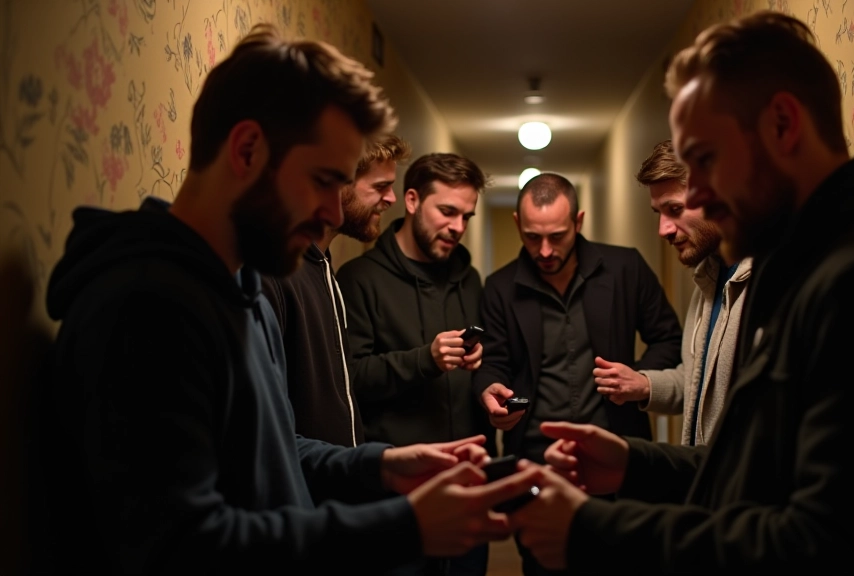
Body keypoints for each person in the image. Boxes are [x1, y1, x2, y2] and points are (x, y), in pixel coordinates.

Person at [36, 24, 539, 574]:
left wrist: (381, 465)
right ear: (247, 150)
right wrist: (407, 526)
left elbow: (274, 448)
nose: (332, 212)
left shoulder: (242, 291)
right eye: (323, 180)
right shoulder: (147, 306)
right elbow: (179, 548)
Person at [509, 11, 854, 574]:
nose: (697, 197)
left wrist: (593, 530)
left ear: (783, 125)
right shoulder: (797, 269)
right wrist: (634, 465)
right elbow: (761, 477)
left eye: (705, 160)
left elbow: (823, 547)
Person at [473, 172, 682, 575]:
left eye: (557, 236)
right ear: (517, 223)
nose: (545, 250)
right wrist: (489, 390)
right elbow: (492, 363)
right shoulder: (499, 287)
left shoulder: (625, 267)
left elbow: (668, 339)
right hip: (536, 463)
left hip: (617, 454)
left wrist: (639, 380)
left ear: (578, 221)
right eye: (532, 237)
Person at [335, 152, 493, 576]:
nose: (458, 227)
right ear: (410, 200)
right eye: (447, 211)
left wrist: (484, 374)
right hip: (397, 496)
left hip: (467, 486)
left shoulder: (470, 280)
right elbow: (351, 380)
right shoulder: (359, 279)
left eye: (466, 216)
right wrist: (426, 359)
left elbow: (485, 365)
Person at [593, 140, 751, 446]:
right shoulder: (708, 279)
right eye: (659, 212)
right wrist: (644, 384)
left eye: (675, 209)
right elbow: (699, 384)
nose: (663, 229)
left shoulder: (768, 282)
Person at [262, 133, 411, 448]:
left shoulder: (324, 266)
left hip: (338, 473)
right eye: (380, 186)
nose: (391, 199)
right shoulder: (273, 272)